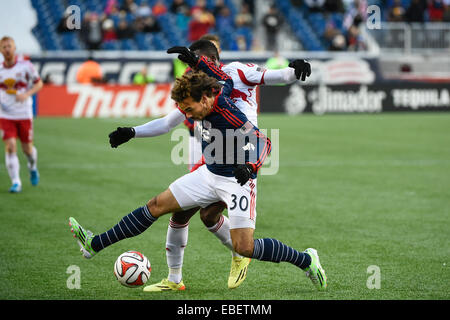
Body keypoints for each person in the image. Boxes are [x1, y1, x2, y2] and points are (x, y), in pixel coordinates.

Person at [69, 57, 327, 292]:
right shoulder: (212, 91)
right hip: (208, 174)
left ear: (204, 99)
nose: (187, 116)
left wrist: (250, 167)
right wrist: (132, 132)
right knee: (157, 205)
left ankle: (306, 260)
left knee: (244, 247)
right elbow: (212, 83)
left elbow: (263, 143)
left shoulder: (229, 114)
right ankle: (94, 244)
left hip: (236, 181)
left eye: (189, 109)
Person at [0, 36, 43, 193]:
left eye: (9, 46)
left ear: (15, 47)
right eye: (4, 47)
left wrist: (27, 94)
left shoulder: (26, 66)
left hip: (24, 113)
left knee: (27, 150)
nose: (7, 49)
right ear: (0, 50)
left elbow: (39, 83)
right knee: (10, 147)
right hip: (5, 115)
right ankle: (16, 182)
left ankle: (32, 167)